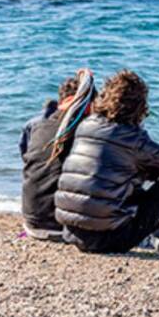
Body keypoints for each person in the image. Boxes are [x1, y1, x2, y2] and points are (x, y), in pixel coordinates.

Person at [55, 69, 159, 255]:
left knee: (121, 181)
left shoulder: (85, 126)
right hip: (110, 238)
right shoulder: (133, 139)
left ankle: (158, 233)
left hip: (71, 232)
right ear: (140, 106)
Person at [19, 68, 95, 241]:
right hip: (64, 226)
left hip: (32, 220)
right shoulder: (87, 132)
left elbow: (26, 159)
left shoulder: (34, 125)